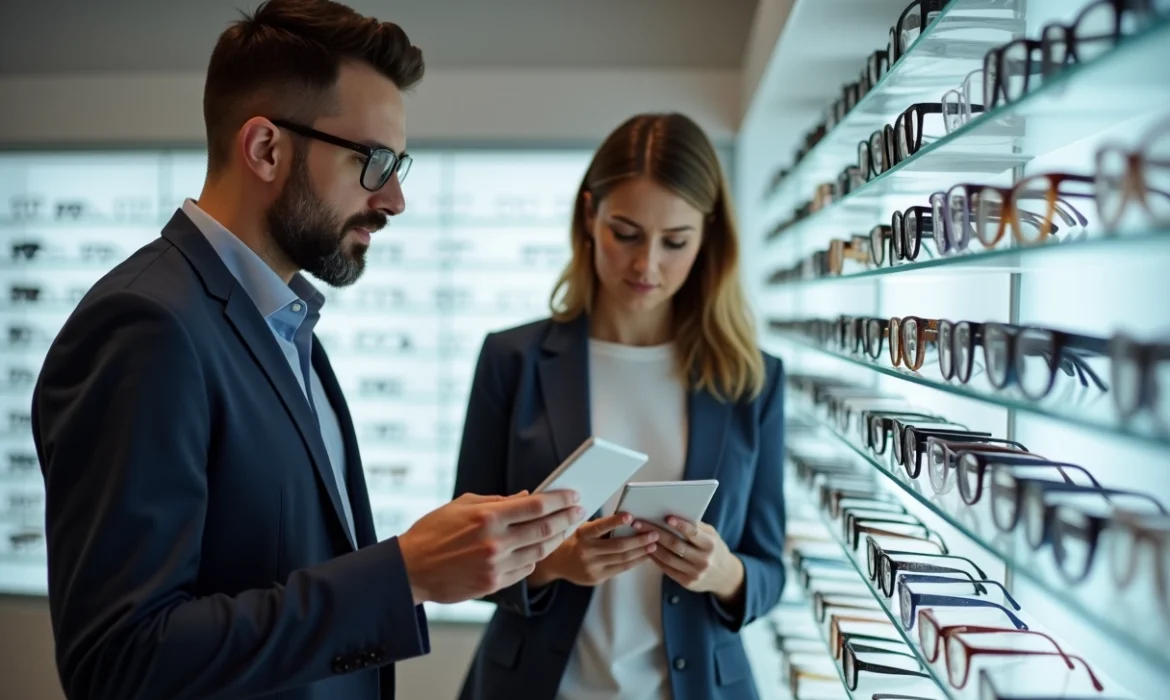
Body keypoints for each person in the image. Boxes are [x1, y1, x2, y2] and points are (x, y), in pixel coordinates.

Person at [29, 2, 583, 699]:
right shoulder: (146, 326)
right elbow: (120, 663)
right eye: (373, 161)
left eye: (398, 163)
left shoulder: (285, 323)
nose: (395, 199)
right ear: (265, 149)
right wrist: (402, 572)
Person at [452, 113, 788, 700]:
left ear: (707, 237)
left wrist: (724, 572)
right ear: (590, 217)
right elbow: (462, 555)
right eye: (626, 233)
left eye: (675, 241)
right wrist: (556, 562)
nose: (646, 265)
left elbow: (769, 568)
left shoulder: (750, 379)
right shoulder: (513, 359)